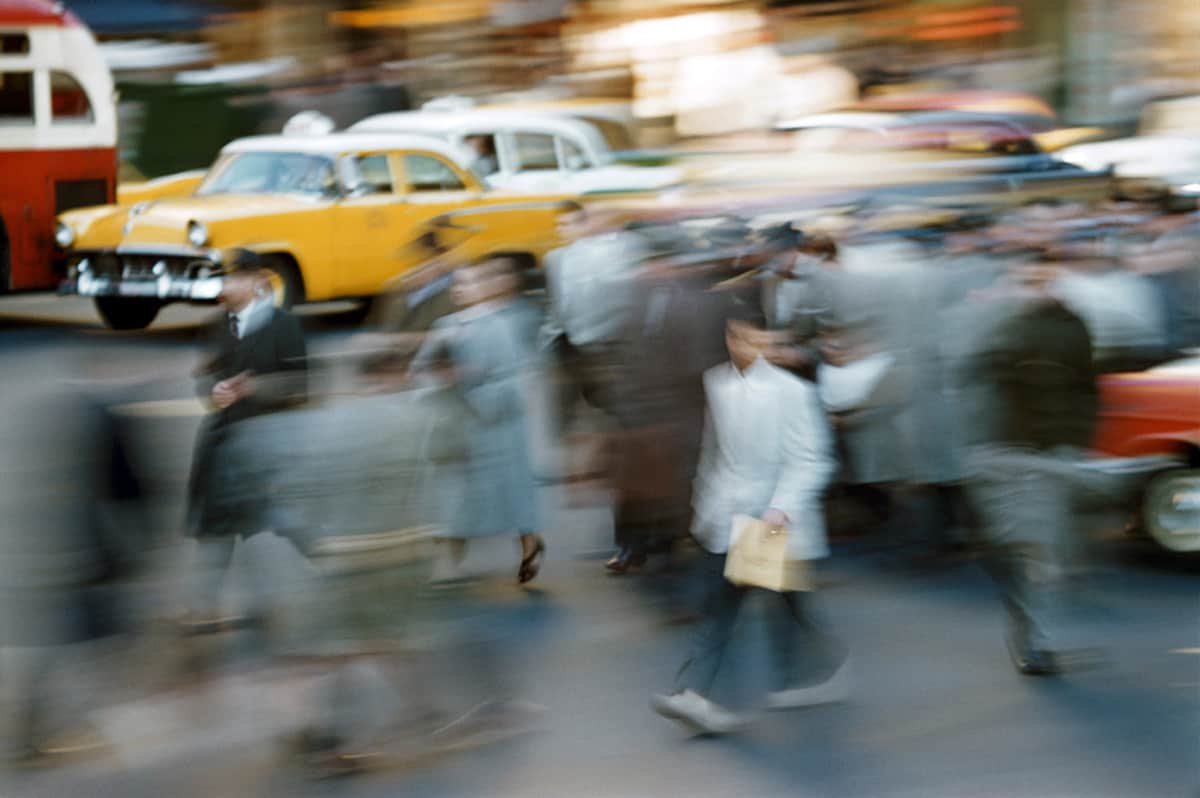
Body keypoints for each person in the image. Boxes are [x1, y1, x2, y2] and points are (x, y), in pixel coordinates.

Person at [652, 319, 847, 735]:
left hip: (768, 520)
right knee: (786, 601)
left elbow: (811, 458)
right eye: (743, 337)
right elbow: (714, 451)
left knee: (725, 605)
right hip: (727, 515)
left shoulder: (792, 391)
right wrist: (702, 505)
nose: (753, 347)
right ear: (728, 338)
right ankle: (820, 669)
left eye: (762, 339)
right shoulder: (717, 384)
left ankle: (701, 695)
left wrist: (781, 508)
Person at [960, 257, 1106, 676]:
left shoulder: (1068, 326)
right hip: (1008, 452)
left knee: (1037, 551)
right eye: (1027, 280)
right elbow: (977, 380)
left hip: (1044, 451)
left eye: (1043, 281)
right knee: (1030, 551)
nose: (1034, 288)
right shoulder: (1000, 323)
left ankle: (1035, 639)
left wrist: (1075, 440)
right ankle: (1033, 636)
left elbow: (1084, 386)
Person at [184, 248, 309, 633]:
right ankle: (206, 606)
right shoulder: (219, 324)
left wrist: (255, 388)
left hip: (268, 441)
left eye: (233, 278)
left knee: (271, 528)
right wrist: (214, 391)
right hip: (222, 442)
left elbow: (301, 386)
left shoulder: (284, 325)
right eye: (223, 278)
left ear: (258, 282)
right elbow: (207, 375)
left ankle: (285, 599)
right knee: (216, 528)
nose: (225, 285)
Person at [410, 257, 546, 584]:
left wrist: (472, 390)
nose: (461, 290)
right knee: (455, 498)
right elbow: (418, 373)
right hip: (457, 431)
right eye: (457, 284)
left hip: (495, 429)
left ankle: (528, 541)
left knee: (507, 494)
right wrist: (441, 383)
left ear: (485, 288)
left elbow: (515, 381)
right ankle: (448, 561)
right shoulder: (444, 327)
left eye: (469, 283)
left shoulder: (501, 327)